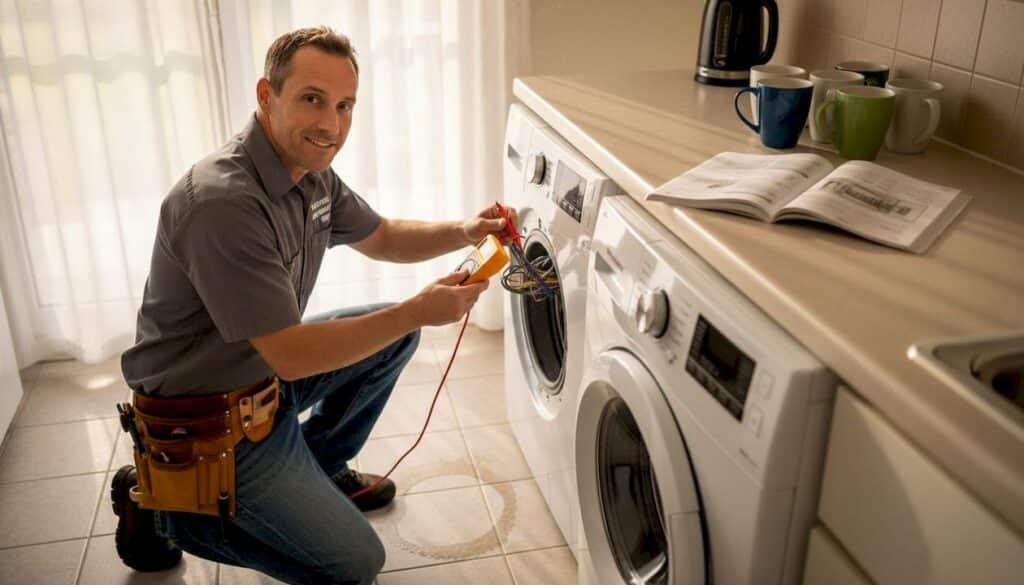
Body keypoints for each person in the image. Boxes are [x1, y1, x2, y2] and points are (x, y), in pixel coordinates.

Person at [112, 26, 514, 585]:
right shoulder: (224, 203)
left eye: (345, 105)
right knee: (355, 565)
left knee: (394, 336)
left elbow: (385, 237)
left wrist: (465, 230)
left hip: (263, 387)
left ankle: (318, 471)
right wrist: (417, 309)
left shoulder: (311, 173)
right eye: (312, 99)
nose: (332, 125)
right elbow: (292, 356)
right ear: (265, 95)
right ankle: (167, 513)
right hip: (207, 423)